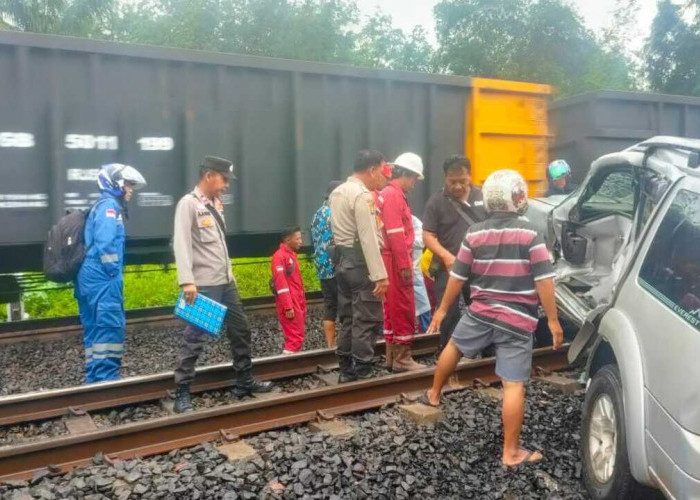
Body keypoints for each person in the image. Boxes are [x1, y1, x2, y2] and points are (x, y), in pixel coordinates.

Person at [424, 169, 564, 467]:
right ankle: (510, 452)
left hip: (480, 311)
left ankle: (434, 394)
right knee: (513, 385)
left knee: (454, 347)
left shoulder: (474, 233)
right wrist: (552, 321)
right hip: (516, 319)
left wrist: (443, 310)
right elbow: (544, 281)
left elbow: (457, 276)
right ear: (518, 198)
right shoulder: (530, 234)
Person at [172, 156, 273, 413]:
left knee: (241, 329)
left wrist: (231, 273)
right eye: (224, 179)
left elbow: (219, 245)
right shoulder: (189, 204)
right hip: (203, 285)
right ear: (209, 176)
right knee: (195, 338)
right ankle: (181, 391)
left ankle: (244, 380)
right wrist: (187, 281)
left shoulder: (215, 204)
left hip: (225, 282)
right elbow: (181, 243)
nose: (226, 185)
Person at [75, 163, 146, 384]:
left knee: (94, 331)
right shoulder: (109, 207)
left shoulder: (99, 205)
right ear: (115, 184)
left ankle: (94, 381)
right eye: (128, 185)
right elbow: (106, 245)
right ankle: (106, 382)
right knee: (109, 328)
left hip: (88, 278)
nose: (131, 190)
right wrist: (113, 273)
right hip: (103, 279)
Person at [329, 150, 389, 382]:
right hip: (360, 264)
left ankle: (345, 369)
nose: (382, 178)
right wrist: (380, 275)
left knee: (347, 317)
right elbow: (368, 238)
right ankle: (363, 371)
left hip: (342, 262)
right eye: (381, 172)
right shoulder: (363, 195)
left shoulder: (337, 192)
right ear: (372, 169)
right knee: (366, 318)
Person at [422, 155, 486, 351]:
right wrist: (445, 255)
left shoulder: (483, 197)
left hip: (479, 267)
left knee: (481, 308)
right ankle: (447, 352)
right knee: (447, 312)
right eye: (452, 182)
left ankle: (484, 350)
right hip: (447, 268)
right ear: (445, 178)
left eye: (462, 181)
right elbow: (427, 235)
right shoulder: (436, 201)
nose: (457, 186)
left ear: (470, 176)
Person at [377, 152, 425, 371]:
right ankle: (403, 359)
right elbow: (396, 233)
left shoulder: (387, 194)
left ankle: (391, 357)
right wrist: (405, 265)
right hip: (396, 259)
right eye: (414, 178)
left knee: (391, 307)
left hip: (389, 258)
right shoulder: (394, 196)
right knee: (404, 306)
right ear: (406, 174)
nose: (414, 183)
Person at [310, 181, 343, 347]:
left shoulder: (317, 214)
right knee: (345, 307)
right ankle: (345, 344)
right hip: (338, 267)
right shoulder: (336, 212)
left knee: (330, 306)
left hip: (323, 269)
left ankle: (330, 346)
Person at [271, 226, 307, 354]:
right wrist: (288, 306)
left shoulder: (290, 255)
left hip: (296, 300)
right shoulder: (279, 257)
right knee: (295, 337)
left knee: (297, 334)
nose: (301, 241)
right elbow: (281, 284)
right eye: (297, 238)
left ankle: (291, 364)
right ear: (287, 240)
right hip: (290, 301)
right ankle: (287, 363)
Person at [412, 216, 432, 333]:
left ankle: (425, 332)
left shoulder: (414, 221)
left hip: (415, 271)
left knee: (423, 303)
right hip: (396, 272)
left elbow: (421, 241)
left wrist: (401, 239)